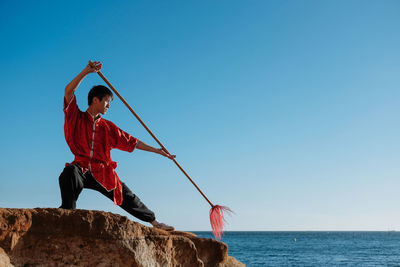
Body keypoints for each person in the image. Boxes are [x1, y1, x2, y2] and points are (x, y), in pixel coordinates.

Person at [58, 61, 175, 231]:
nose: (108, 106)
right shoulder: (75, 117)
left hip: (102, 171)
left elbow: (132, 142)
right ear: (95, 100)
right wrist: (86, 71)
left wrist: (158, 151)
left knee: (126, 195)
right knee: (69, 174)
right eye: (106, 101)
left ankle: (155, 223)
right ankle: (68, 215)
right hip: (81, 168)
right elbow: (68, 91)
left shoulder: (108, 127)